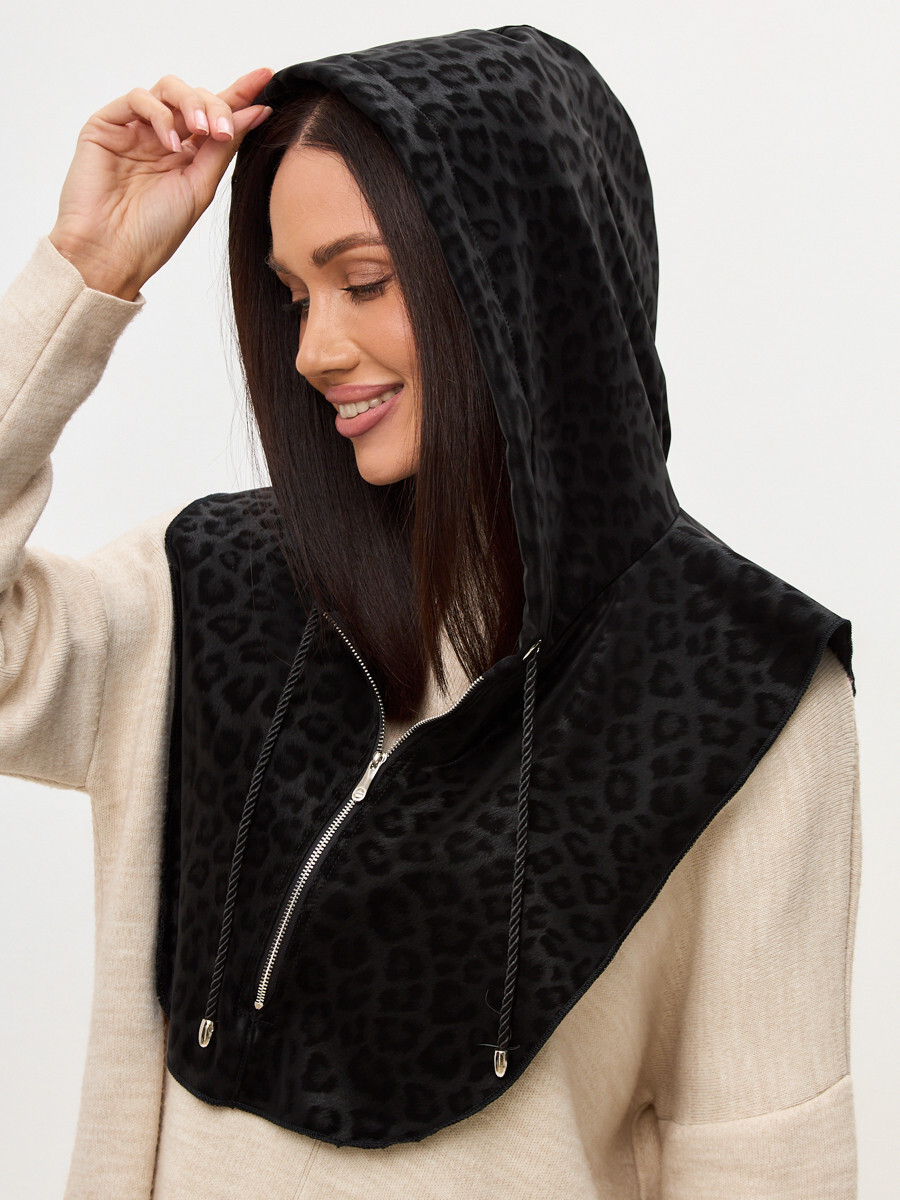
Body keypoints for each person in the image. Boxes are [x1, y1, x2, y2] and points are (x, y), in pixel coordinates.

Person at [0, 23, 860, 1200]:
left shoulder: (736, 688)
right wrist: (84, 269)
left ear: (521, 272)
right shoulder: (202, 589)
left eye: (363, 281)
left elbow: (765, 1169)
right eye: (293, 296)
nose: (314, 349)